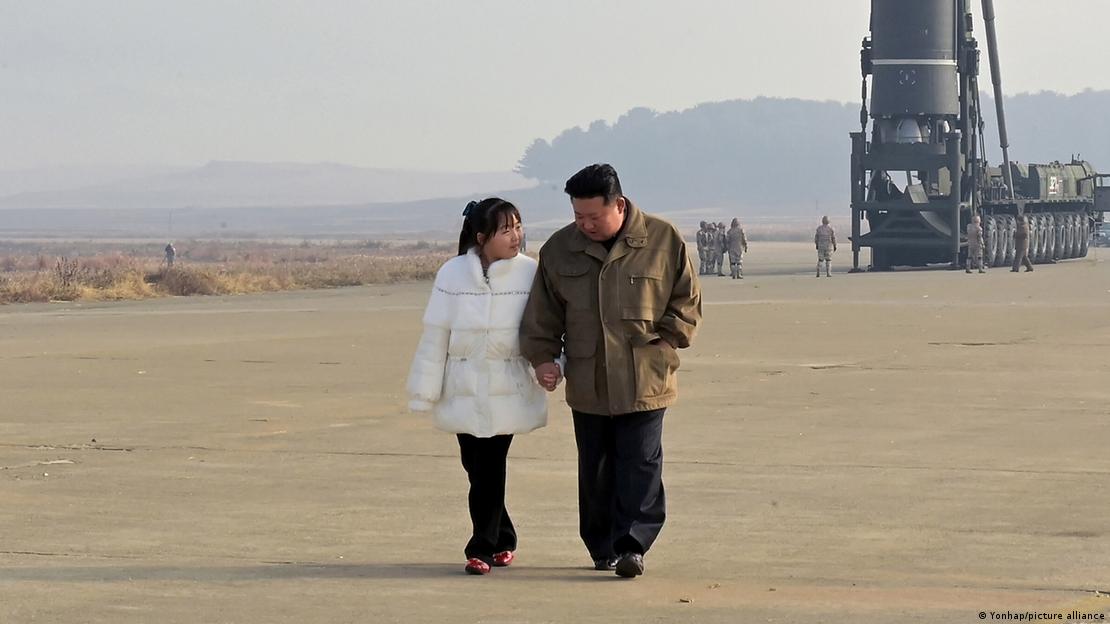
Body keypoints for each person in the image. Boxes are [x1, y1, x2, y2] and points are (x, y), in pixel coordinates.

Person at [520, 164, 702, 579]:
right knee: (596, 468)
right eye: (578, 216)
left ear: (619, 205)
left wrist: (668, 340)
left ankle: (633, 545)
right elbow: (543, 314)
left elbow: (687, 299)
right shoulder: (559, 249)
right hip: (589, 379)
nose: (585, 225)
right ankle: (602, 547)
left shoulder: (662, 239)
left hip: (645, 376)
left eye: (594, 217)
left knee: (641, 463)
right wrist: (543, 358)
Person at [406, 197, 562, 576]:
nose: (516, 236)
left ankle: (481, 547)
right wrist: (425, 389)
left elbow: (546, 328)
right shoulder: (452, 274)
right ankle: (505, 536)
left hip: (507, 387)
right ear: (481, 237)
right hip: (461, 388)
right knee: (475, 466)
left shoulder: (530, 273)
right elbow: (436, 335)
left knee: (490, 465)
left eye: (518, 227)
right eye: (506, 230)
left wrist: (551, 365)